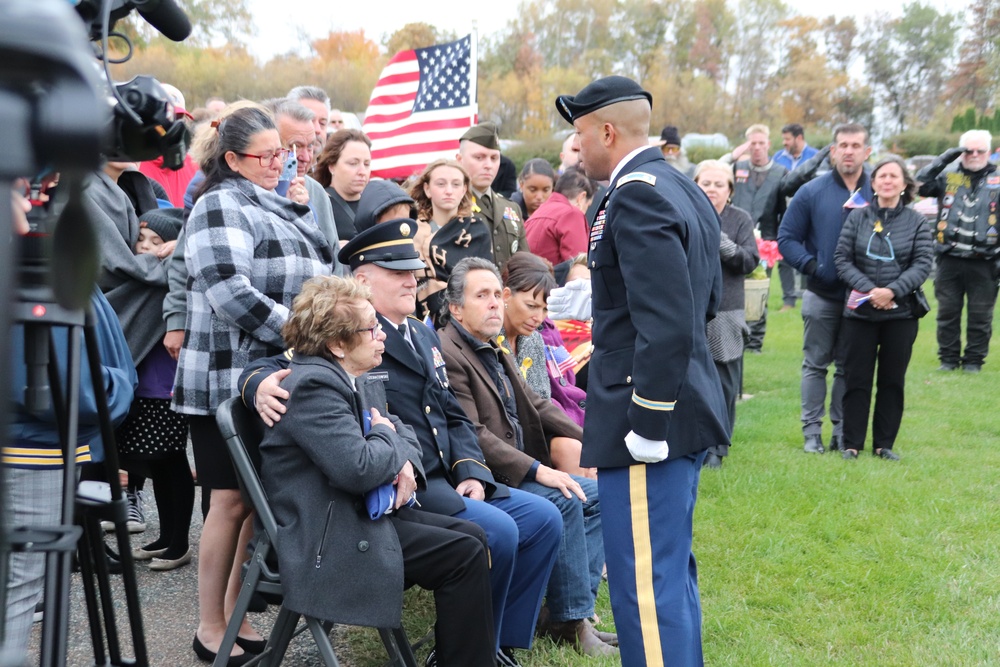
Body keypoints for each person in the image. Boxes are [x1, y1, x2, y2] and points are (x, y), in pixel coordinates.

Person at [241, 224, 562, 667]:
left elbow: (430, 417)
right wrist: (253, 382)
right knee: (481, 542)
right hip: (337, 525)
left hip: (398, 488)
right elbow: (360, 451)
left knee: (501, 529)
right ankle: (468, 656)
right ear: (363, 281)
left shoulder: (405, 336)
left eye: (414, 270)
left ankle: (482, 649)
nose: (413, 279)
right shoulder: (326, 364)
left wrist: (459, 465)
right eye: (399, 273)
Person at [557, 76, 729, 666]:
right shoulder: (676, 183)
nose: (576, 146)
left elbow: (670, 320)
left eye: (580, 132)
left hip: (647, 416)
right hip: (673, 404)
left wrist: (648, 421)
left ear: (607, 130)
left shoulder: (636, 193)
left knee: (645, 589)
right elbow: (694, 299)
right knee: (667, 575)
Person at [258, 275, 496, 667]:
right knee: (464, 553)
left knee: (473, 535)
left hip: (356, 512)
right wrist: (387, 441)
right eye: (370, 328)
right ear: (336, 343)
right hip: (327, 535)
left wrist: (399, 458)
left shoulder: (356, 374)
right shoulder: (312, 386)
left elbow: (406, 436)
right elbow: (359, 469)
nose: (381, 333)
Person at [171, 102, 333, 665]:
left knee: (251, 505)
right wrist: (304, 334)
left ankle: (237, 613)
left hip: (272, 372)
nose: (278, 163)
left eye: (282, 153)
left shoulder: (278, 202)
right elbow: (226, 289)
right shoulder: (217, 204)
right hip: (223, 377)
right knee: (228, 501)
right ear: (233, 159)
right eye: (266, 155)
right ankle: (209, 626)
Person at [441, 258, 617, 657]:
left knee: (600, 495)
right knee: (566, 497)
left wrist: (596, 439)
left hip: (516, 467)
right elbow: (473, 434)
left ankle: (566, 611)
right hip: (487, 475)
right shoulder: (449, 350)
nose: (493, 305)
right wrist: (540, 470)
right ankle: (571, 622)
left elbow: (537, 403)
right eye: (481, 296)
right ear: (455, 307)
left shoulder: (489, 344)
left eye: (494, 296)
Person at [4, 285, 137, 660]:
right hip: (32, 448)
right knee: (21, 582)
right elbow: (62, 389)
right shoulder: (33, 269)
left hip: (36, 441)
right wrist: (119, 388)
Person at [778, 123, 873, 455]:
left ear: (867, 152)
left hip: (863, 297)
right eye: (842, 145)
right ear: (833, 151)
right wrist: (813, 266)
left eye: (855, 145)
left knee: (850, 367)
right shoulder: (812, 191)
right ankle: (812, 433)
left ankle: (843, 432)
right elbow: (786, 238)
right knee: (816, 364)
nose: (849, 151)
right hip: (821, 294)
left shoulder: (879, 189)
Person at [834, 155, 934, 461]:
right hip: (860, 313)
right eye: (881, 176)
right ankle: (851, 443)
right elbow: (842, 259)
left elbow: (922, 263)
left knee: (892, 380)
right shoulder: (857, 217)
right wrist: (870, 290)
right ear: (873, 183)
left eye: (894, 176)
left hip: (900, 314)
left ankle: (884, 444)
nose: (887, 181)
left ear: (905, 184)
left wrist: (892, 291)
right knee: (856, 379)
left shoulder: (917, 221)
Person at [118, 208, 195, 570]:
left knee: (170, 459)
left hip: (167, 383)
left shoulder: (171, 275)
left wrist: (179, 249)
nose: (146, 248)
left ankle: (178, 542)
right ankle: (167, 537)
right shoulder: (141, 276)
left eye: (156, 241)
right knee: (159, 463)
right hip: (146, 383)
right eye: (141, 240)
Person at [694, 160, 760, 468]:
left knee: (723, 384)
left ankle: (717, 450)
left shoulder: (739, 219)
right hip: (690, 310)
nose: (712, 189)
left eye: (719, 184)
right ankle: (692, 443)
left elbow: (749, 260)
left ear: (730, 190)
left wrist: (720, 241)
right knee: (690, 380)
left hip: (726, 312)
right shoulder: (684, 213)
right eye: (706, 183)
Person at [916, 130, 1000, 373]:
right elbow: (920, 185)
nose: (974, 155)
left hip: (986, 260)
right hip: (948, 258)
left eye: (979, 150)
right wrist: (943, 159)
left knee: (981, 315)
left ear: (988, 152)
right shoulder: (947, 176)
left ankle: (974, 361)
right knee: (947, 312)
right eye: (968, 150)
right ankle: (948, 359)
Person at [502, 252, 589, 427]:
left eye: (544, 310)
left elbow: (542, 398)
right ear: (506, 296)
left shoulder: (534, 339)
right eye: (531, 306)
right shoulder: (488, 339)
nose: (538, 318)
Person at [722, 123, 789, 346]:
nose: (757, 148)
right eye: (753, 143)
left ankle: (755, 340)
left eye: (761, 143)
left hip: (766, 240)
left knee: (759, 289)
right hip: (735, 236)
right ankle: (735, 333)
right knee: (734, 286)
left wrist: (779, 240)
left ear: (768, 144)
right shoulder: (737, 167)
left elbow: (784, 209)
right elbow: (712, 171)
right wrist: (734, 154)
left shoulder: (781, 172)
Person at [408, 159, 494, 323]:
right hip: (419, 317)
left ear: (464, 190)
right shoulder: (412, 230)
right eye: (441, 184)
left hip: (468, 318)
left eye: (455, 185)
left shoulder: (477, 231)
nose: (449, 191)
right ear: (427, 189)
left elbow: (484, 281)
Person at [456, 123, 528, 271]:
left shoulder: (511, 208)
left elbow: (524, 265)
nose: (488, 165)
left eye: (494, 158)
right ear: (459, 160)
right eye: (479, 157)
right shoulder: (450, 205)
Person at [524, 167, 594, 266]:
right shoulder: (572, 214)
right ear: (581, 198)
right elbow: (579, 268)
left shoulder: (537, 214)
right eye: (588, 205)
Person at [314, 128, 372, 243]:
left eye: (366, 164)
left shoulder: (374, 206)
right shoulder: (318, 204)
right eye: (353, 163)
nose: (362, 171)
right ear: (332, 166)